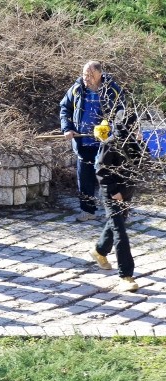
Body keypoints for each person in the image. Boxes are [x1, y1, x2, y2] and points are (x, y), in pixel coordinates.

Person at [60, 60, 125, 222]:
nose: (86, 78)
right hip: (83, 142)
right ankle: (88, 211)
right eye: (84, 74)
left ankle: (115, 213)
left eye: (90, 75)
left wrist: (111, 129)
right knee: (85, 177)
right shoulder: (77, 89)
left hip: (106, 144)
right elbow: (64, 108)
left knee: (109, 178)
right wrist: (67, 128)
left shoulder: (112, 90)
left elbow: (122, 112)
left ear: (99, 75)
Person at [89, 114, 144, 293]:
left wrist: (141, 144)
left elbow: (143, 164)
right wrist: (114, 191)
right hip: (112, 194)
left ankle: (99, 251)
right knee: (120, 232)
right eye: (134, 127)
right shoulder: (111, 143)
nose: (137, 130)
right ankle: (126, 276)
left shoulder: (134, 143)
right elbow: (101, 169)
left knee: (114, 226)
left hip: (127, 191)